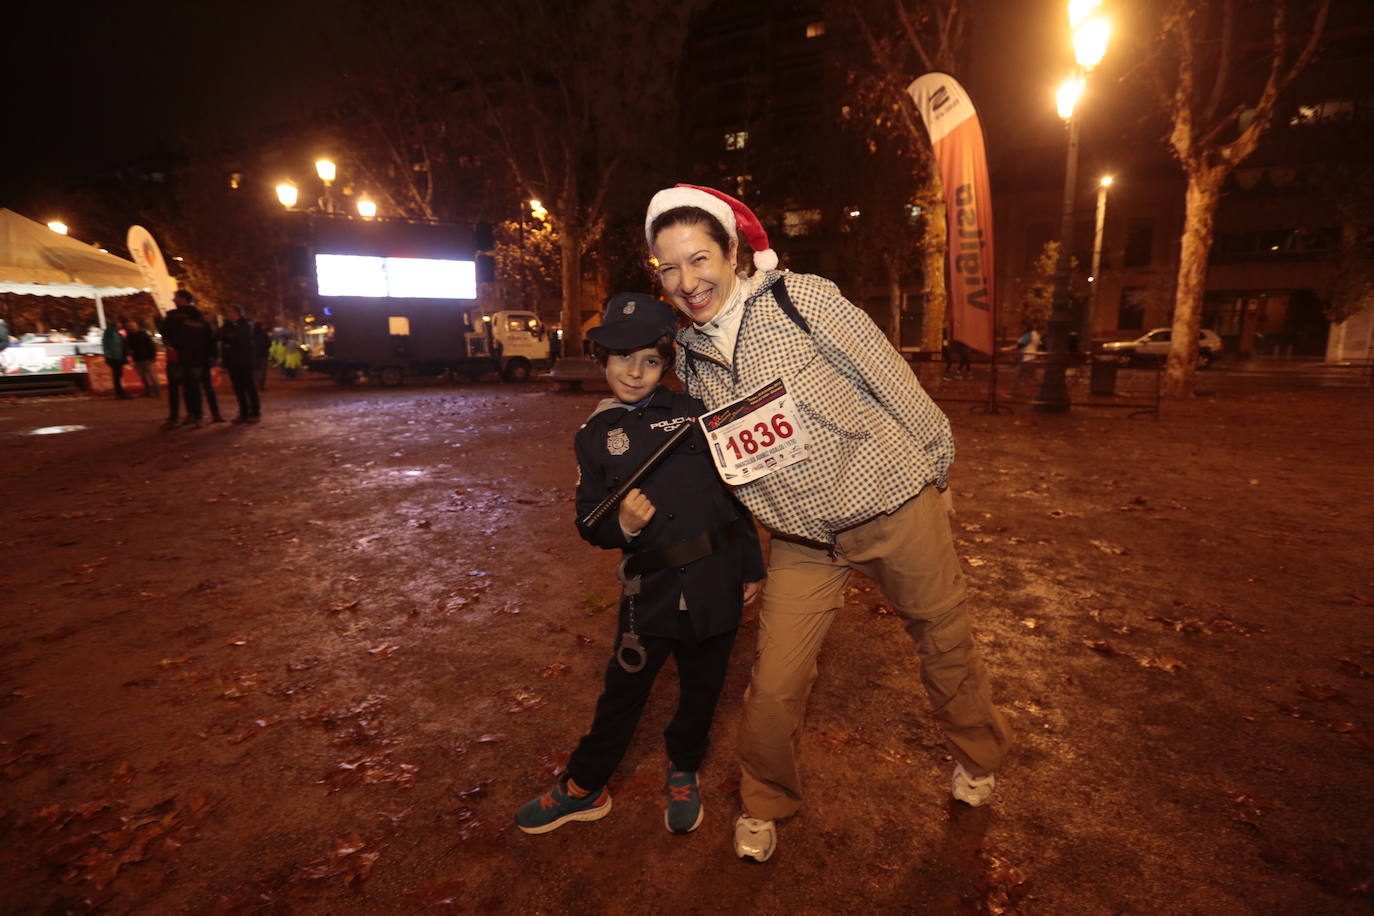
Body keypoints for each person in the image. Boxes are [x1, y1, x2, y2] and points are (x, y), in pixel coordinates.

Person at [644, 184, 1012, 862]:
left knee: (945, 641)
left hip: (896, 504)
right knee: (775, 682)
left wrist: (939, 471)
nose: (687, 280)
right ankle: (765, 801)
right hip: (804, 540)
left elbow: (892, 380)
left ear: (732, 252)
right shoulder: (690, 360)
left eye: (699, 258)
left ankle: (978, 757)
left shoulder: (800, 299)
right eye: (669, 267)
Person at [514, 292, 765, 837]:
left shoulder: (696, 413)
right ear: (602, 359)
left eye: (650, 360)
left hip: (715, 579)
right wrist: (623, 526)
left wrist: (750, 567)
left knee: (703, 689)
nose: (635, 371)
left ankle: (683, 768)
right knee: (622, 693)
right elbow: (588, 522)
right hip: (647, 593)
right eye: (623, 357)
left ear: (665, 364)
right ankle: (585, 785)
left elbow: (735, 493)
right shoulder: (594, 438)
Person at [158, 290, 217, 429]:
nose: (174, 300)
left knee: (177, 389)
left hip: (179, 358)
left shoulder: (173, 317)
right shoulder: (200, 317)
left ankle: (177, 417)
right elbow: (209, 339)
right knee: (193, 388)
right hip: (195, 358)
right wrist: (212, 356)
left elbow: (164, 332)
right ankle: (196, 416)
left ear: (183, 299)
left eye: (176, 298)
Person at [219, 305, 261, 422]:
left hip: (244, 361)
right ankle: (244, 412)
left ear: (237, 312)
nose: (227, 314)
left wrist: (228, 339)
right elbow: (220, 336)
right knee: (238, 388)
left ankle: (255, 412)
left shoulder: (246, 325)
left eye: (229, 311)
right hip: (233, 362)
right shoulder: (227, 326)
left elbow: (239, 340)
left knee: (249, 386)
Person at [125, 321, 159, 397]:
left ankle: (156, 391)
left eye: (132, 326)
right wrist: (129, 351)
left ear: (136, 326)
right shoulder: (129, 336)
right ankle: (148, 391)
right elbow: (128, 347)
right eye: (129, 326)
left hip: (147, 358)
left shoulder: (143, 334)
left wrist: (152, 356)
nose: (130, 328)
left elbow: (151, 346)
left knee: (152, 375)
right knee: (143, 376)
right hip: (137, 359)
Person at [101, 320, 132, 399]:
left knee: (118, 375)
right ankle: (119, 393)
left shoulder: (116, 334)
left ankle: (120, 392)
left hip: (118, 357)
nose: (119, 327)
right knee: (117, 375)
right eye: (118, 325)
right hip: (113, 358)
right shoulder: (110, 333)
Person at [252, 322, 271, 390]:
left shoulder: (251, 334)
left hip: (253, 354)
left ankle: (256, 383)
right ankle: (261, 385)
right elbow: (269, 343)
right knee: (262, 371)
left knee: (255, 370)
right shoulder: (264, 334)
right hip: (263, 354)